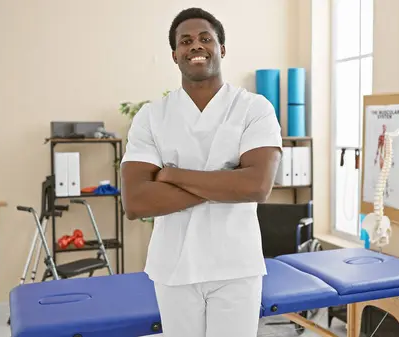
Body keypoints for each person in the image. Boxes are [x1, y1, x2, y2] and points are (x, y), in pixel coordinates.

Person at [120, 7, 282, 337]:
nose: (196, 45)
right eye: (186, 40)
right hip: (173, 267)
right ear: (175, 54)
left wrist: (173, 175)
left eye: (206, 38)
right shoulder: (152, 116)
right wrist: (228, 179)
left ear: (222, 49)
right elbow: (136, 202)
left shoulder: (254, 109)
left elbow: (257, 186)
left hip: (236, 266)